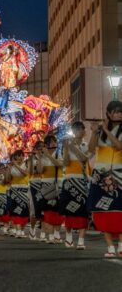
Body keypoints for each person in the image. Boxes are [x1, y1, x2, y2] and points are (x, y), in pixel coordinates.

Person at [88, 101, 122, 257]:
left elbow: (119, 145)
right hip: (100, 175)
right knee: (103, 211)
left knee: (118, 211)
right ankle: (110, 248)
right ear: (108, 113)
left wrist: (106, 130)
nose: (117, 114)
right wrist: (95, 132)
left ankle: (121, 246)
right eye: (114, 112)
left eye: (120, 111)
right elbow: (91, 149)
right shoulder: (101, 131)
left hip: (118, 175)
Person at [61, 122, 90, 250]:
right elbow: (66, 163)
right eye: (77, 129)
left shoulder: (86, 145)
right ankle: (68, 236)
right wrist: (67, 148)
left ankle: (81, 240)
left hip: (82, 181)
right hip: (69, 181)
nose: (80, 131)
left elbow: (84, 159)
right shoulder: (67, 145)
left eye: (81, 129)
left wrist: (72, 147)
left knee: (83, 211)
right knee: (69, 210)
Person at [38, 135, 64, 244]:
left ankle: (57, 234)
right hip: (46, 186)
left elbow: (59, 164)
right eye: (50, 142)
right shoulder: (43, 156)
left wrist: (48, 155)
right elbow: (39, 171)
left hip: (58, 185)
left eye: (54, 141)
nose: (53, 144)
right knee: (48, 211)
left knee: (58, 211)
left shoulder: (59, 153)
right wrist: (40, 157)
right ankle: (51, 235)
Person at [8, 150, 30, 238]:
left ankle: (22, 230)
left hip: (24, 189)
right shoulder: (12, 166)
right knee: (15, 210)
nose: (20, 157)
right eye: (18, 156)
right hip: (14, 189)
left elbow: (25, 173)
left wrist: (16, 165)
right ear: (15, 157)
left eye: (22, 155)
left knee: (24, 211)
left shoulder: (27, 164)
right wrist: (9, 169)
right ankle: (17, 230)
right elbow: (8, 179)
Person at [28, 141, 45, 241]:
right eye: (39, 148)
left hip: (45, 183)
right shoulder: (32, 159)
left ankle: (43, 232)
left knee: (44, 207)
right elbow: (30, 172)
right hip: (34, 184)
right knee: (34, 208)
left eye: (43, 147)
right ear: (35, 149)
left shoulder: (47, 157)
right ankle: (32, 228)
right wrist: (31, 161)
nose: (41, 149)